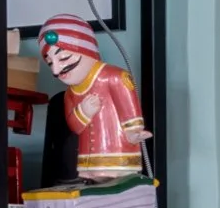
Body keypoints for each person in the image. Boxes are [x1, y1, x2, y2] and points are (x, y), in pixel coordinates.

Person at [37, 16, 146, 184]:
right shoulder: (69, 94)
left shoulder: (114, 76)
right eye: (50, 63)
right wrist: (84, 112)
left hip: (119, 156)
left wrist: (133, 132)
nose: (56, 70)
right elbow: (74, 125)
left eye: (64, 58)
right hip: (87, 162)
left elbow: (129, 110)